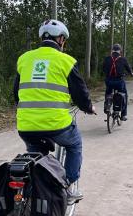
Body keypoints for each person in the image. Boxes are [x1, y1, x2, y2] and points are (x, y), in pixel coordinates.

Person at [13, 19, 96, 204]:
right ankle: (67, 187)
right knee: (75, 145)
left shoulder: (24, 59)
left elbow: (16, 93)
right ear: (61, 39)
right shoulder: (66, 61)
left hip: (26, 125)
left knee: (35, 156)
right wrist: (88, 107)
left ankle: (31, 194)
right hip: (57, 125)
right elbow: (80, 93)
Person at [102, 44, 133, 121]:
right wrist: (131, 73)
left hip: (109, 81)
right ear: (120, 51)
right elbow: (128, 68)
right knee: (124, 95)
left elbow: (103, 68)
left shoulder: (107, 58)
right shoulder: (123, 59)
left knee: (108, 93)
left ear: (112, 50)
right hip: (119, 81)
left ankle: (107, 105)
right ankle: (123, 115)